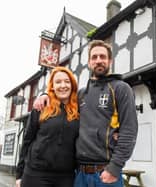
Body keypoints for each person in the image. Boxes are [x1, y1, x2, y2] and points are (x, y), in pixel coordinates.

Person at [34, 40, 138, 187]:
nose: (98, 61)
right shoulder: (81, 94)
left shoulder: (121, 88)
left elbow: (129, 130)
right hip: (79, 175)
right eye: (94, 57)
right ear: (89, 62)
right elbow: (60, 95)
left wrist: (114, 168)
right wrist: (44, 94)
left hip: (106, 173)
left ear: (110, 61)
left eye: (103, 57)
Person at [16, 66, 79, 187]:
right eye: (58, 82)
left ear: (72, 85)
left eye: (67, 81)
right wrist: (19, 174)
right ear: (52, 86)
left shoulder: (79, 109)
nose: (63, 85)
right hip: (36, 174)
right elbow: (27, 140)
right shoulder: (42, 107)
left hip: (66, 177)